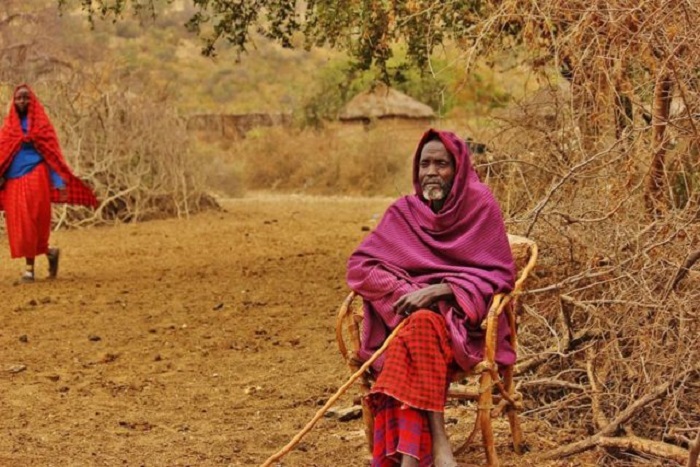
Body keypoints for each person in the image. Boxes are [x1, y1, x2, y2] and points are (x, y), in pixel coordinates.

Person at [346, 129, 516, 467]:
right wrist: (407, 293)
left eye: (441, 164)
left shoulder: (480, 205)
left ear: (459, 168)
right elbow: (359, 267)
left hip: (463, 329)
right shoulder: (404, 212)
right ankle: (434, 447)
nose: (431, 172)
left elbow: (500, 275)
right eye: (424, 164)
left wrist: (443, 290)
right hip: (413, 325)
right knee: (419, 324)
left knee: (416, 329)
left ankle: (413, 454)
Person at [0, 84, 97, 283]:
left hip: (36, 176)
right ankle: (50, 253)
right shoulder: (8, 128)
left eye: (26, 98)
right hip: (13, 181)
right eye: (19, 98)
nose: (23, 101)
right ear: (14, 101)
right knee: (18, 225)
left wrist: (59, 182)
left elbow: (52, 156)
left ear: (32, 101)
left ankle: (29, 270)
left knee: (32, 221)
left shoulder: (42, 126)